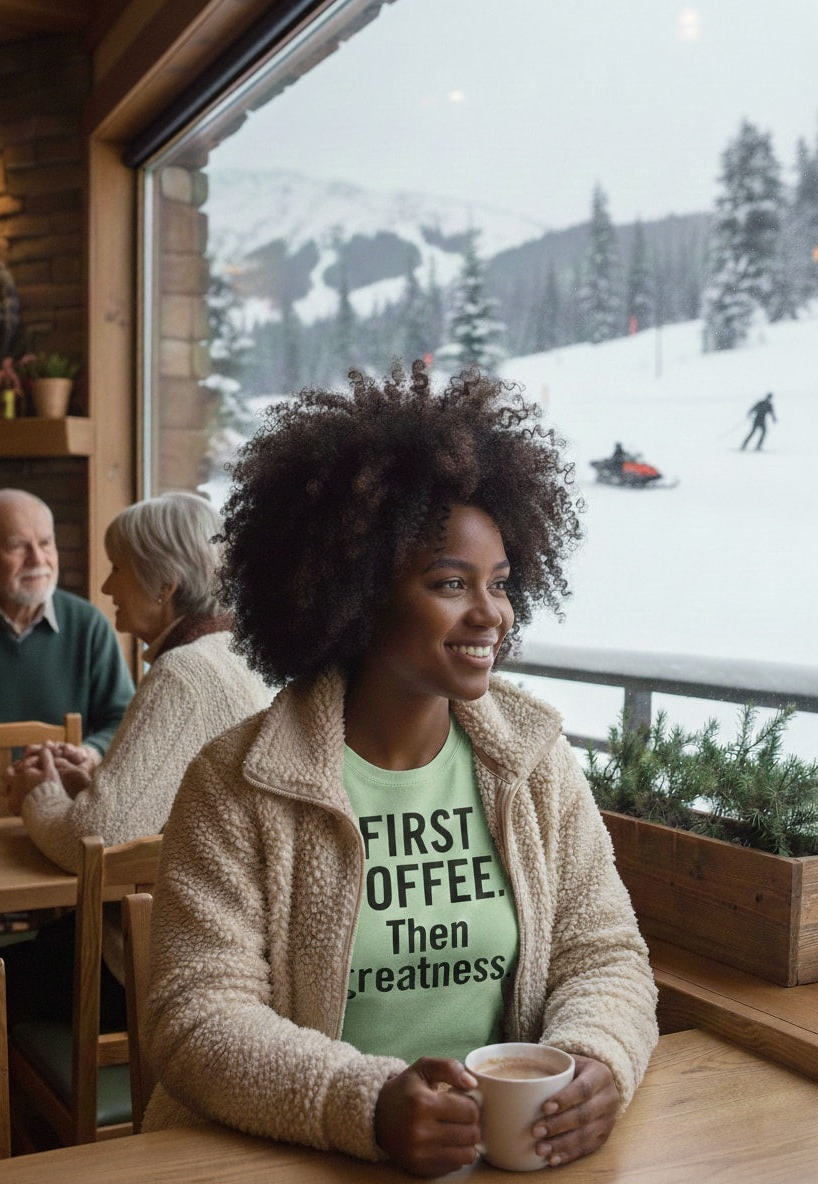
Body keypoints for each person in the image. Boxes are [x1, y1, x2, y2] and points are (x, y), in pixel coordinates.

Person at [142, 364, 658, 1177]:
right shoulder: (238, 781)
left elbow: (605, 952)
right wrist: (368, 1103)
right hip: (288, 1159)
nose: (490, 614)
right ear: (355, 592)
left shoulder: (532, 759)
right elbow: (197, 1016)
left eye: (499, 583)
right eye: (449, 584)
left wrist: (598, 1057)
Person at [0, 492, 273, 1027]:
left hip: (163, 965)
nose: (105, 587)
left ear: (165, 584)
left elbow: (93, 845)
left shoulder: (182, 674)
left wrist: (38, 793)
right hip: (236, 946)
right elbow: (173, 797)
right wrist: (89, 779)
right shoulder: (238, 652)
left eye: (117, 569)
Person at [0, 488, 134, 816]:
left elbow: (122, 718)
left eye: (46, 543)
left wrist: (88, 753)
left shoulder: (88, 624)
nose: (38, 560)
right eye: (18, 546)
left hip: (62, 810)